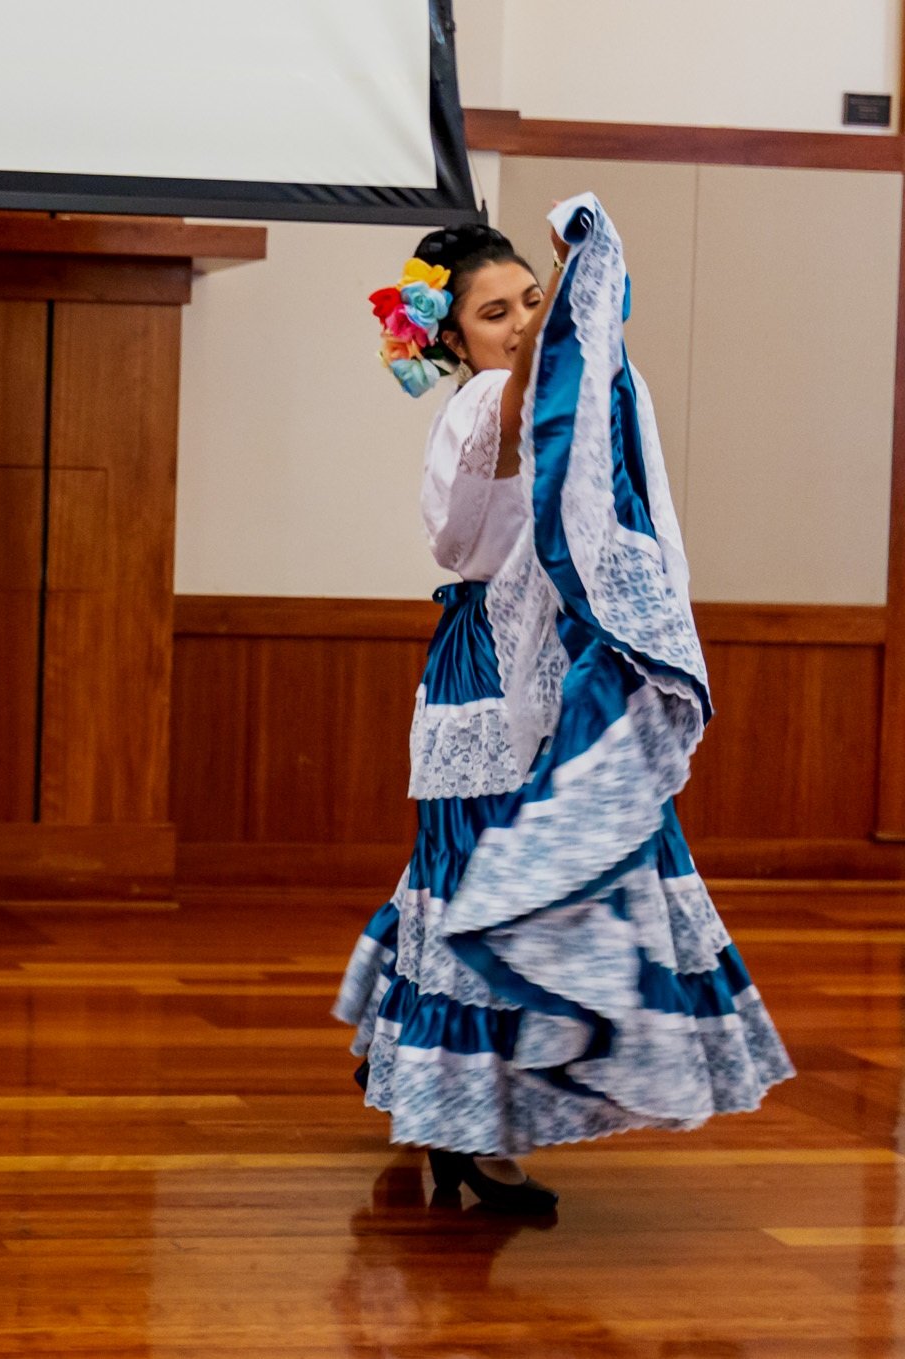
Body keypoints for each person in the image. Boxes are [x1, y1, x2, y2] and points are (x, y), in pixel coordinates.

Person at [335, 197, 791, 1213]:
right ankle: (461, 1122)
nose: (519, 323)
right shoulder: (477, 405)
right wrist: (552, 328)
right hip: (490, 672)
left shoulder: (579, 403)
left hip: (564, 665)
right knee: (481, 882)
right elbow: (494, 460)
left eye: (529, 299)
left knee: (565, 873)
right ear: (450, 340)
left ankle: (474, 1115)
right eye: (493, 314)